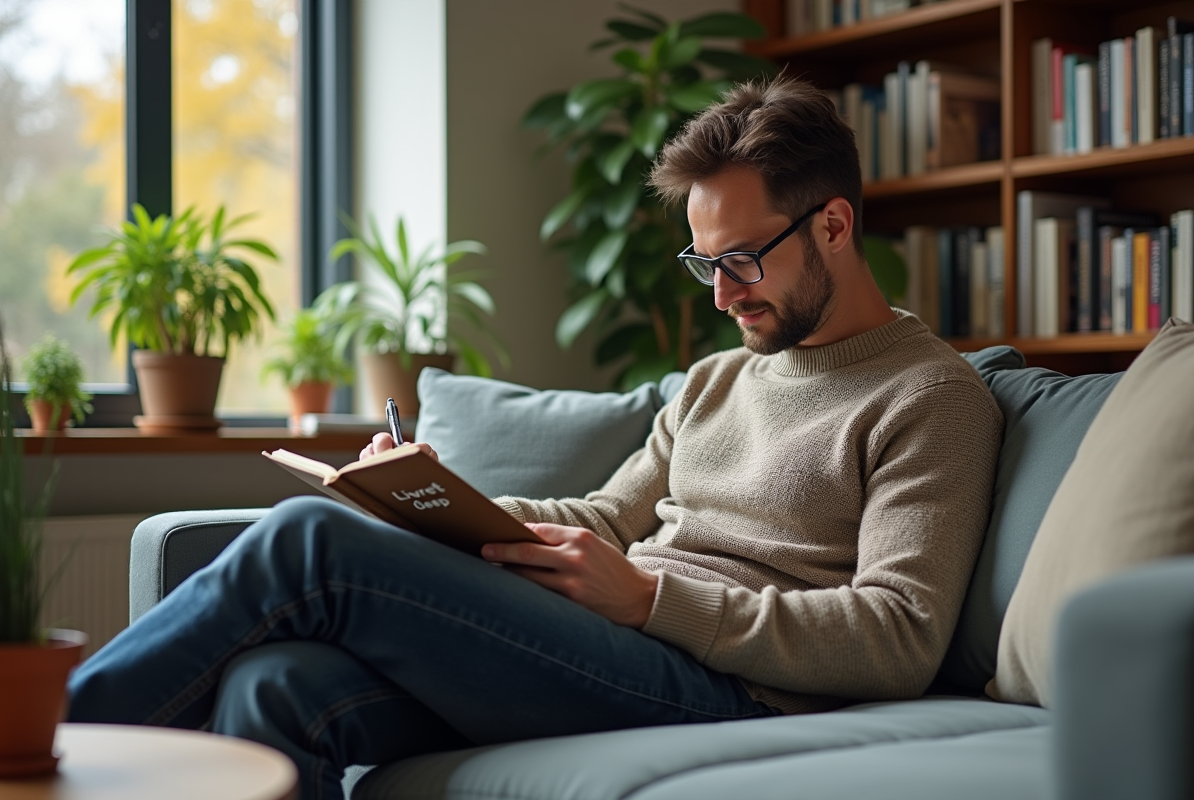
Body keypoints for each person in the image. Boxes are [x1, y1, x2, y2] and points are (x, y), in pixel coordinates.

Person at [68, 76, 1003, 800]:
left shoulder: (931, 397)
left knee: (305, 541)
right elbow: (605, 518)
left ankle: (36, 749)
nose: (722, 294)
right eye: (704, 263)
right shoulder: (719, 380)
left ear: (834, 225)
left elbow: (898, 636)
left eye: (743, 261)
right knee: (279, 686)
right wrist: (431, 505)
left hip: (730, 687)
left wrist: (650, 599)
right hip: (618, 644)